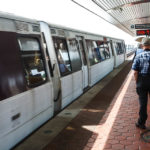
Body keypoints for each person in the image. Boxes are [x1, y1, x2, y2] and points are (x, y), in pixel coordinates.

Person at [132, 37, 150, 129]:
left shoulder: (138, 56)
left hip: (142, 81)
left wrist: (137, 82)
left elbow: (135, 72)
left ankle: (141, 123)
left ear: (143, 45)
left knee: (143, 103)